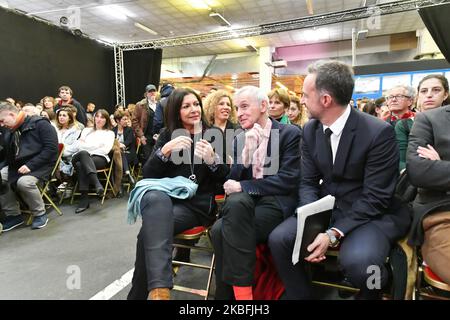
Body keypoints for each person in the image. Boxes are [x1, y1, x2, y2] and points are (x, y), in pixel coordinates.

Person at [268, 60, 411, 300]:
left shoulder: (378, 132)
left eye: (305, 95)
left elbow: (376, 197)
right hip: (329, 207)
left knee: (364, 267)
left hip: (370, 213)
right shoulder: (310, 130)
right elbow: (308, 182)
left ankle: (374, 290)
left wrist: (333, 233)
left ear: (325, 100)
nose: (301, 100)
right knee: (280, 239)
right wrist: (310, 222)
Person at [127, 88, 229, 300]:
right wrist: (164, 152)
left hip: (197, 205)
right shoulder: (167, 134)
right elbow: (148, 175)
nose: (194, 110)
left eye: (196, 104)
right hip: (166, 202)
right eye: (186, 106)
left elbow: (223, 180)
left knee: (147, 232)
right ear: (176, 111)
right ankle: (159, 290)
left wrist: (212, 160)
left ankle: (146, 293)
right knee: (154, 196)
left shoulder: (213, 134)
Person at [210, 86, 302, 300]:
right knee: (229, 214)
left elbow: (288, 180)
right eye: (236, 108)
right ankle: (243, 297)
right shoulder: (239, 139)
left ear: (263, 106)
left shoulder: (289, 133)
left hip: (276, 201)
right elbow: (231, 180)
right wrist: (246, 155)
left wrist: (245, 186)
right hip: (247, 204)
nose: (239, 113)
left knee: (219, 230)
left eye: (244, 106)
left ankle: (229, 298)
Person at [406, 104, 450, 285]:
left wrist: (441, 165)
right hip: (442, 213)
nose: (429, 95)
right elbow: (418, 171)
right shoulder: (430, 119)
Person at [0, 101, 58, 230]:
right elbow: (8, 156)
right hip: (18, 165)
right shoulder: (11, 131)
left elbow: (51, 150)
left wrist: (31, 165)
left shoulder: (41, 125)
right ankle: (14, 215)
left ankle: (40, 213)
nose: (1, 124)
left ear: (11, 114)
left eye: (3, 120)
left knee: (24, 182)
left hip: (41, 165)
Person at [396, 75, 449, 171]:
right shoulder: (403, 125)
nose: (429, 95)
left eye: (436, 90)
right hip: (414, 180)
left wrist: (439, 165)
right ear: (418, 95)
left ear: (445, 94)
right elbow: (402, 160)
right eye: (424, 91)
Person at [71, 109, 115, 213]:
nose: (99, 119)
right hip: (80, 155)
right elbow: (79, 147)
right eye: (97, 116)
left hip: (99, 158)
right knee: (83, 154)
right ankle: (97, 184)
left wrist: (87, 147)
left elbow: (105, 150)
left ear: (106, 120)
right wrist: (95, 146)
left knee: (81, 164)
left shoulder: (110, 133)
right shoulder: (86, 130)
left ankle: (84, 199)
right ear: (94, 118)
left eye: (102, 117)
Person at [131, 84, 158, 162]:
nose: (152, 93)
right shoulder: (140, 105)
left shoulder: (159, 104)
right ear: (146, 94)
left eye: (154, 91)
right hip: (146, 136)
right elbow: (134, 121)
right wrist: (141, 135)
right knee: (148, 158)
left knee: (158, 157)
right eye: (150, 91)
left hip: (158, 135)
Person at [112, 110, 137, 185]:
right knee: (117, 156)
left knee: (117, 159)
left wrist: (118, 145)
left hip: (129, 153)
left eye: (127, 119)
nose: (127, 121)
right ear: (117, 120)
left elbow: (128, 142)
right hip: (116, 154)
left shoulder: (130, 130)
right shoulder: (113, 131)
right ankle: (127, 173)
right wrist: (119, 145)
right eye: (124, 119)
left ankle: (118, 186)